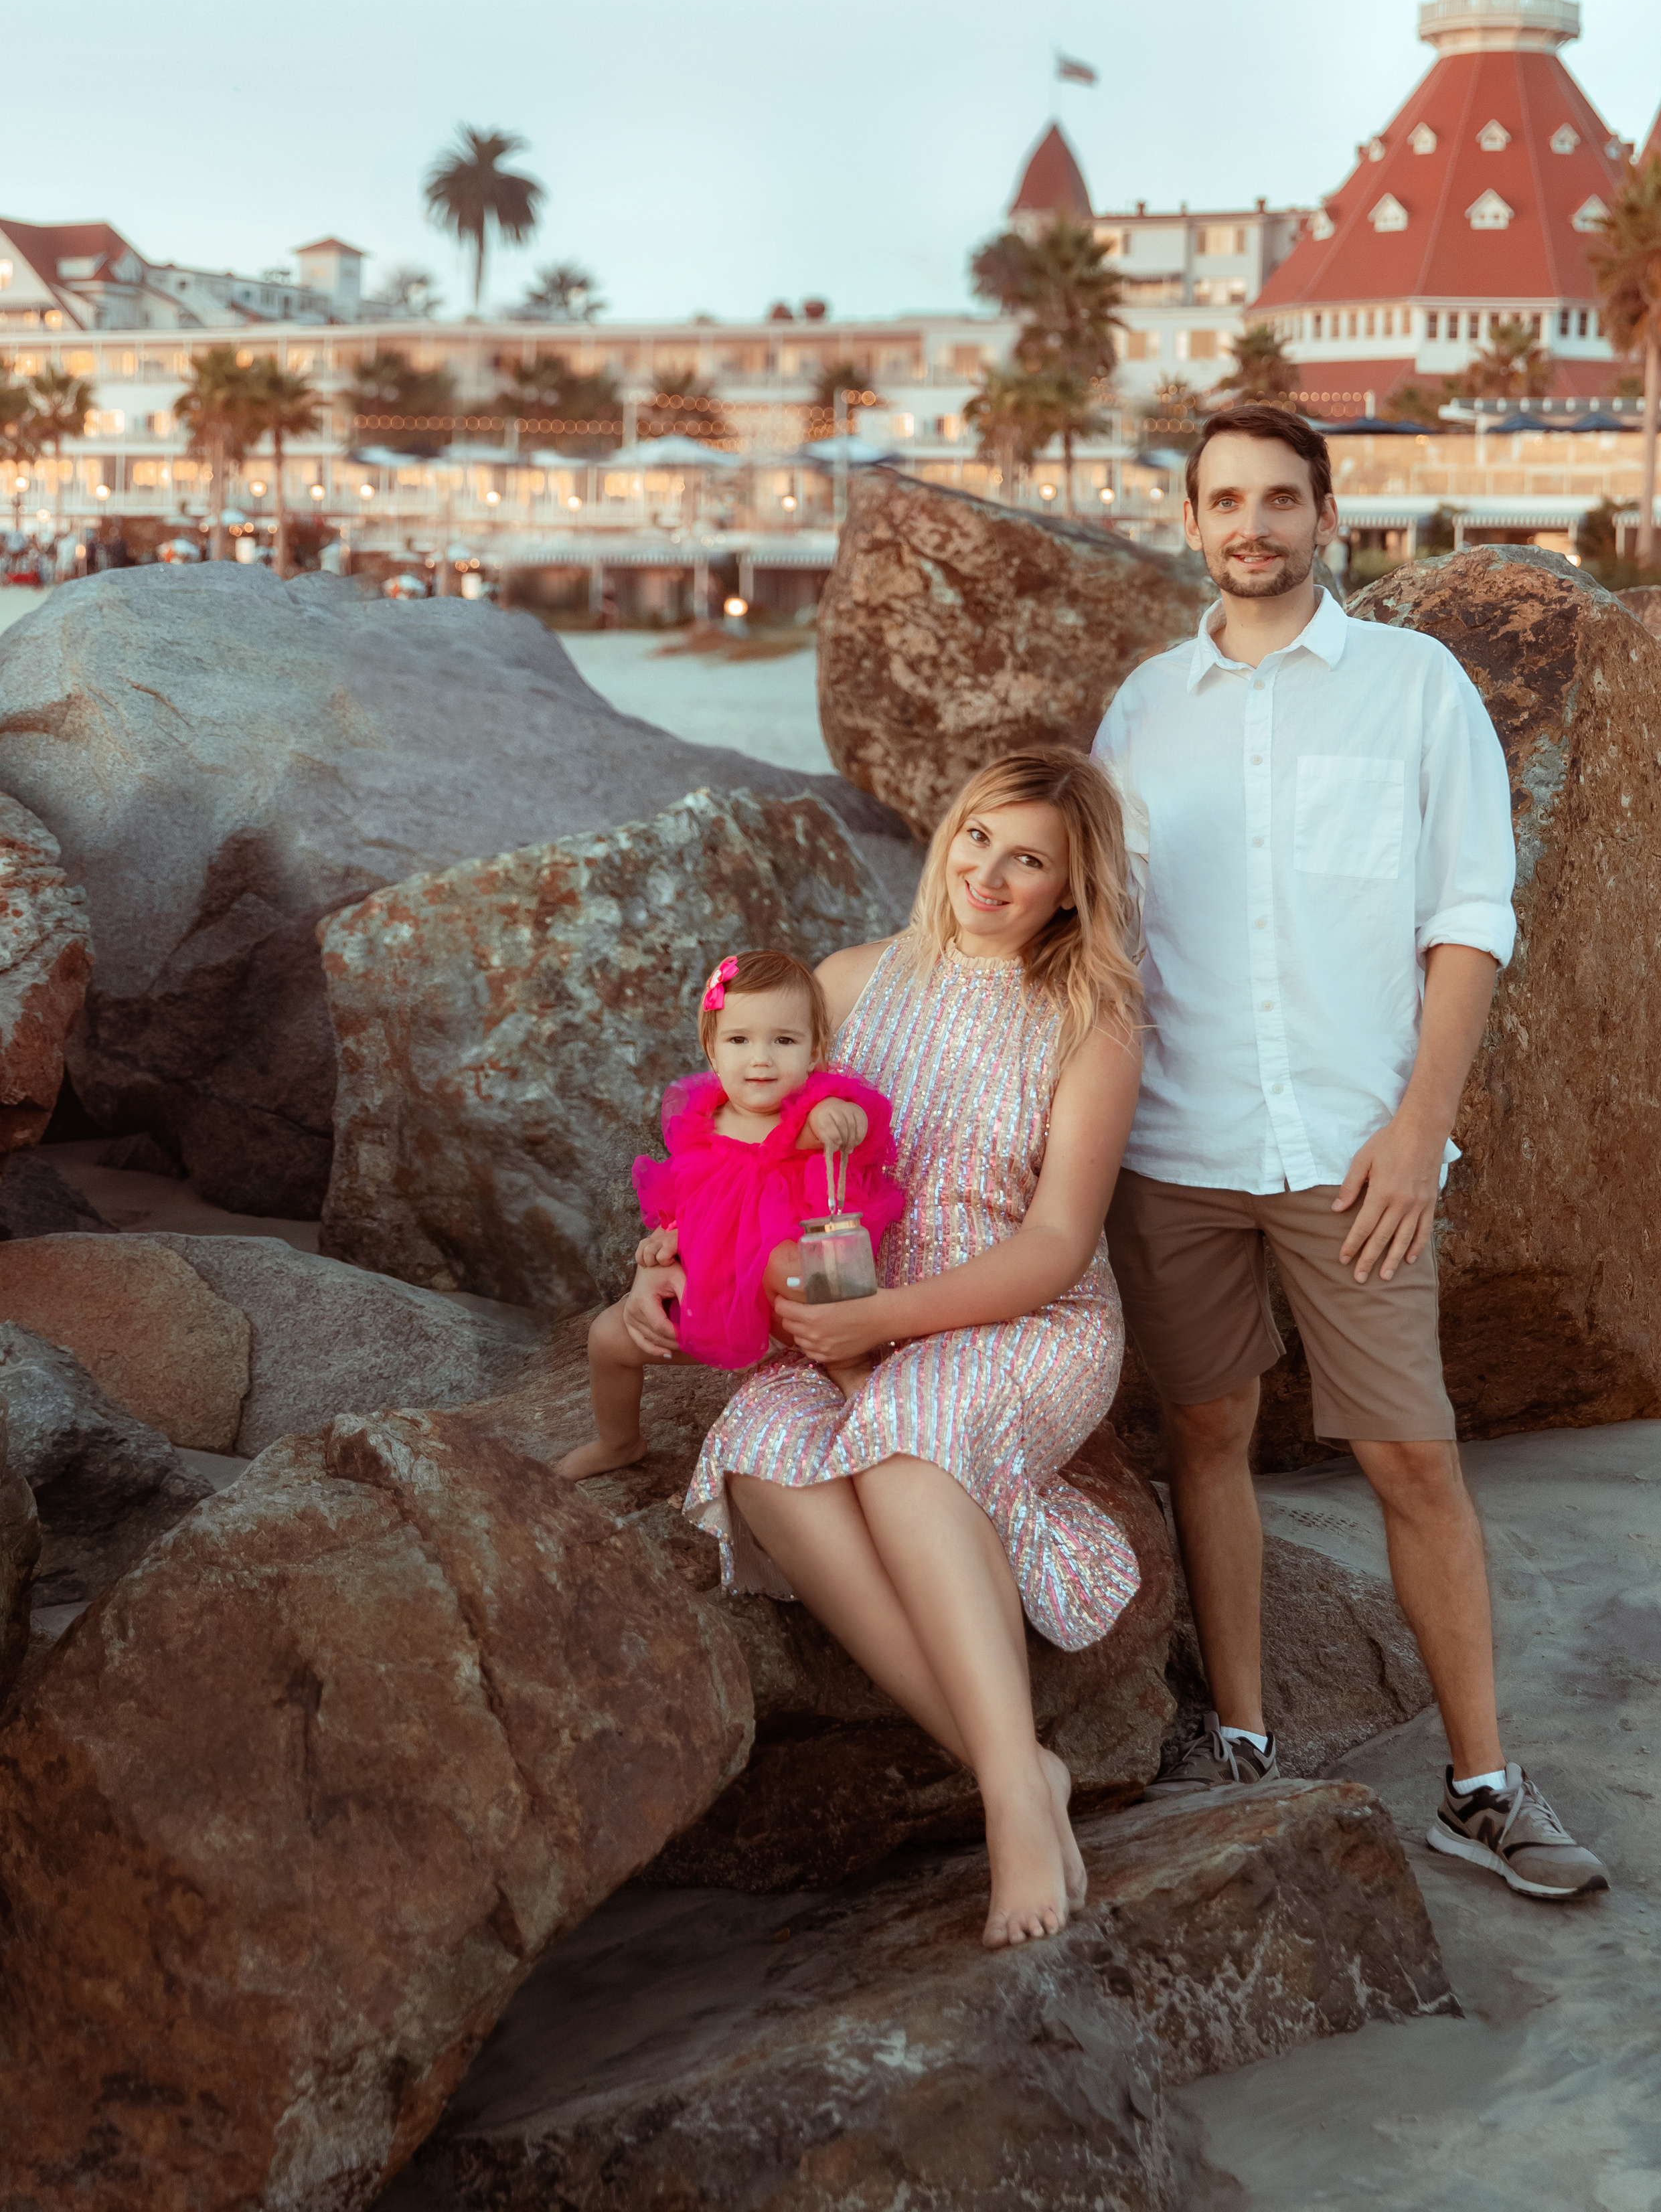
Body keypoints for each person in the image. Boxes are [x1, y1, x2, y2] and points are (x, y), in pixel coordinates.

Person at [1094, 400, 1607, 1902]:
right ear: (1189, 523)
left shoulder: (1413, 686)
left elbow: (1467, 919)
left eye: (1276, 498)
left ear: (1327, 515)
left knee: (1410, 1455)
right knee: (1204, 1435)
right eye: (1221, 500)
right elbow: (1097, 935)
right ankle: (1242, 1735)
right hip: (1177, 1147)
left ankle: (1482, 1782)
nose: (1248, 524)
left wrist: (1416, 1132)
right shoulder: (1141, 711)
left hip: (1350, 1153)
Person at [616, 747, 1144, 1950]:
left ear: (1071, 889)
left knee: (908, 1443)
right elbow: (738, 1144)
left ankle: (1009, 1805)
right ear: (944, 835)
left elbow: (1060, 1242)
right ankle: (1021, 1767)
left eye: (1028, 860)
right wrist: (669, 1253)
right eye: (976, 840)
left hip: (1018, 1318)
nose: (991, 875)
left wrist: (881, 1328)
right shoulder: (856, 983)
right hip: (846, 1304)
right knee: (760, 1451)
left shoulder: (1092, 1022)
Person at [552, 948, 902, 1483]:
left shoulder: (810, 1113)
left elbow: (857, 1119)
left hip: (793, 1302)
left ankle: (850, 1364)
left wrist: (839, 1115)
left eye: (783, 1041)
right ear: (712, 1052)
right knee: (608, 1338)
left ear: (814, 1053)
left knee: (791, 1263)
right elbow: (685, 1193)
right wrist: (661, 1239)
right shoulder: (699, 1119)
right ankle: (618, 1441)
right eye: (739, 1041)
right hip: (714, 1292)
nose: (760, 1059)